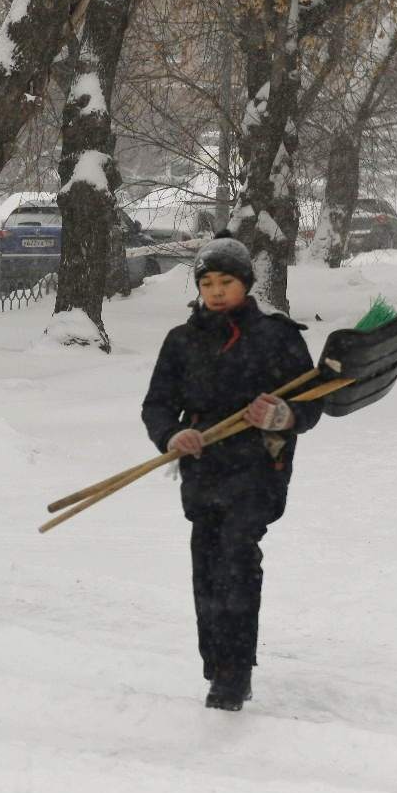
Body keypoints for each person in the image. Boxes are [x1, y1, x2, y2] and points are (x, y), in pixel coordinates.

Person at [140, 234, 320, 710]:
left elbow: (313, 401)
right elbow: (158, 405)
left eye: (226, 282)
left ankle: (234, 672)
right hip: (203, 467)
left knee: (238, 558)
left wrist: (283, 414)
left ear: (246, 284)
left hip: (259, 466)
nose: (216, 291)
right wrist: (172, 437)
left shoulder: (278, 336)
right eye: (207, 282)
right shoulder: (181, 341)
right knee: (207, 562)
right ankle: (216, 662)